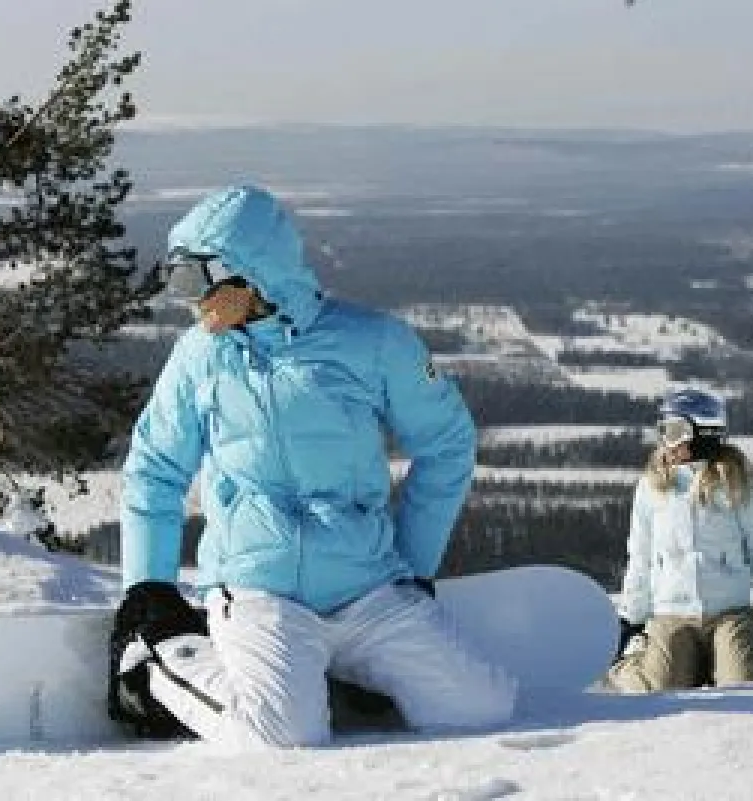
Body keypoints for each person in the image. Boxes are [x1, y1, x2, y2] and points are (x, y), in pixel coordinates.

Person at [109, 184, 516, 748]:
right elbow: (155, 467)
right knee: (280, 736)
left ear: (247, 275)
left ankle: (341, 674)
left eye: (194, 281)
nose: (187, 300)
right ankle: (157, 661)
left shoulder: (374, 343)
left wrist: (414, 564)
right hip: (261, 588)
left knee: (481, 709)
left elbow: (446, 443)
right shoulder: (199, 357)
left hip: (367, 587)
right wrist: (148, 590)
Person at [607, 388, 753, 693]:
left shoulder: (738, 484)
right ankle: (633, 660)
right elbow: (641, 556)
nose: (666, 442)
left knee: (744, 685)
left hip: (729, 613)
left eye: (675, 432)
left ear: (702, 433)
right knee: (658, 689)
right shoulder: (652, 486)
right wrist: (631, 618)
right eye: (664, 432)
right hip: (671, 615)